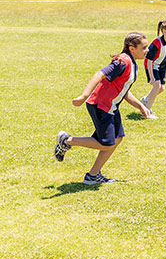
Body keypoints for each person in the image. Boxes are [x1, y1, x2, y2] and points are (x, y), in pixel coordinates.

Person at [53, 33, 151, 184]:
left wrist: (140, 106)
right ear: (132, 48)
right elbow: (100, 74)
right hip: (100, 105)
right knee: (106, 143)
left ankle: (93, 176)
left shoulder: (131, 63)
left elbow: (122, 89)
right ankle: (67, 140)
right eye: (144, 47)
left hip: (111, 107)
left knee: (117, 139)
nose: (147, 50)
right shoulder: (122, 62)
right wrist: (83, 96)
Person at [141, 20, 166, 119]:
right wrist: (152, 76)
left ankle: (146, 99)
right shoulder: (156, 44)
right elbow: (149, 60)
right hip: (152, 65)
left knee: (161, 88)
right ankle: (147, 112)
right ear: (164, 32)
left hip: (162, 66)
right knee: (156, 86)